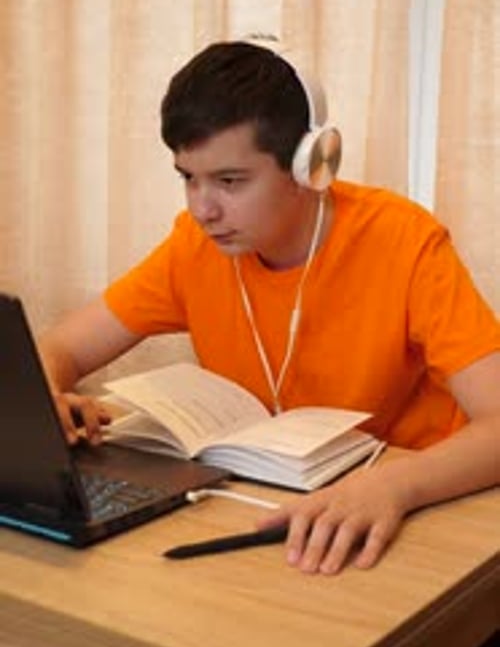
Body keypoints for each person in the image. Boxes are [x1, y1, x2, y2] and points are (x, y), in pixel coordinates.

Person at [39, 39, 500, 575]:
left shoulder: (404, 240)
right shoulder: (195, 245)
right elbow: (59, 347)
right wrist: (52, 394)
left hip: (402, 514)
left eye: (230, 181)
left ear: (311, 167)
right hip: (267, 511)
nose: (202, 208)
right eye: (188, 178)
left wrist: (392, 486)